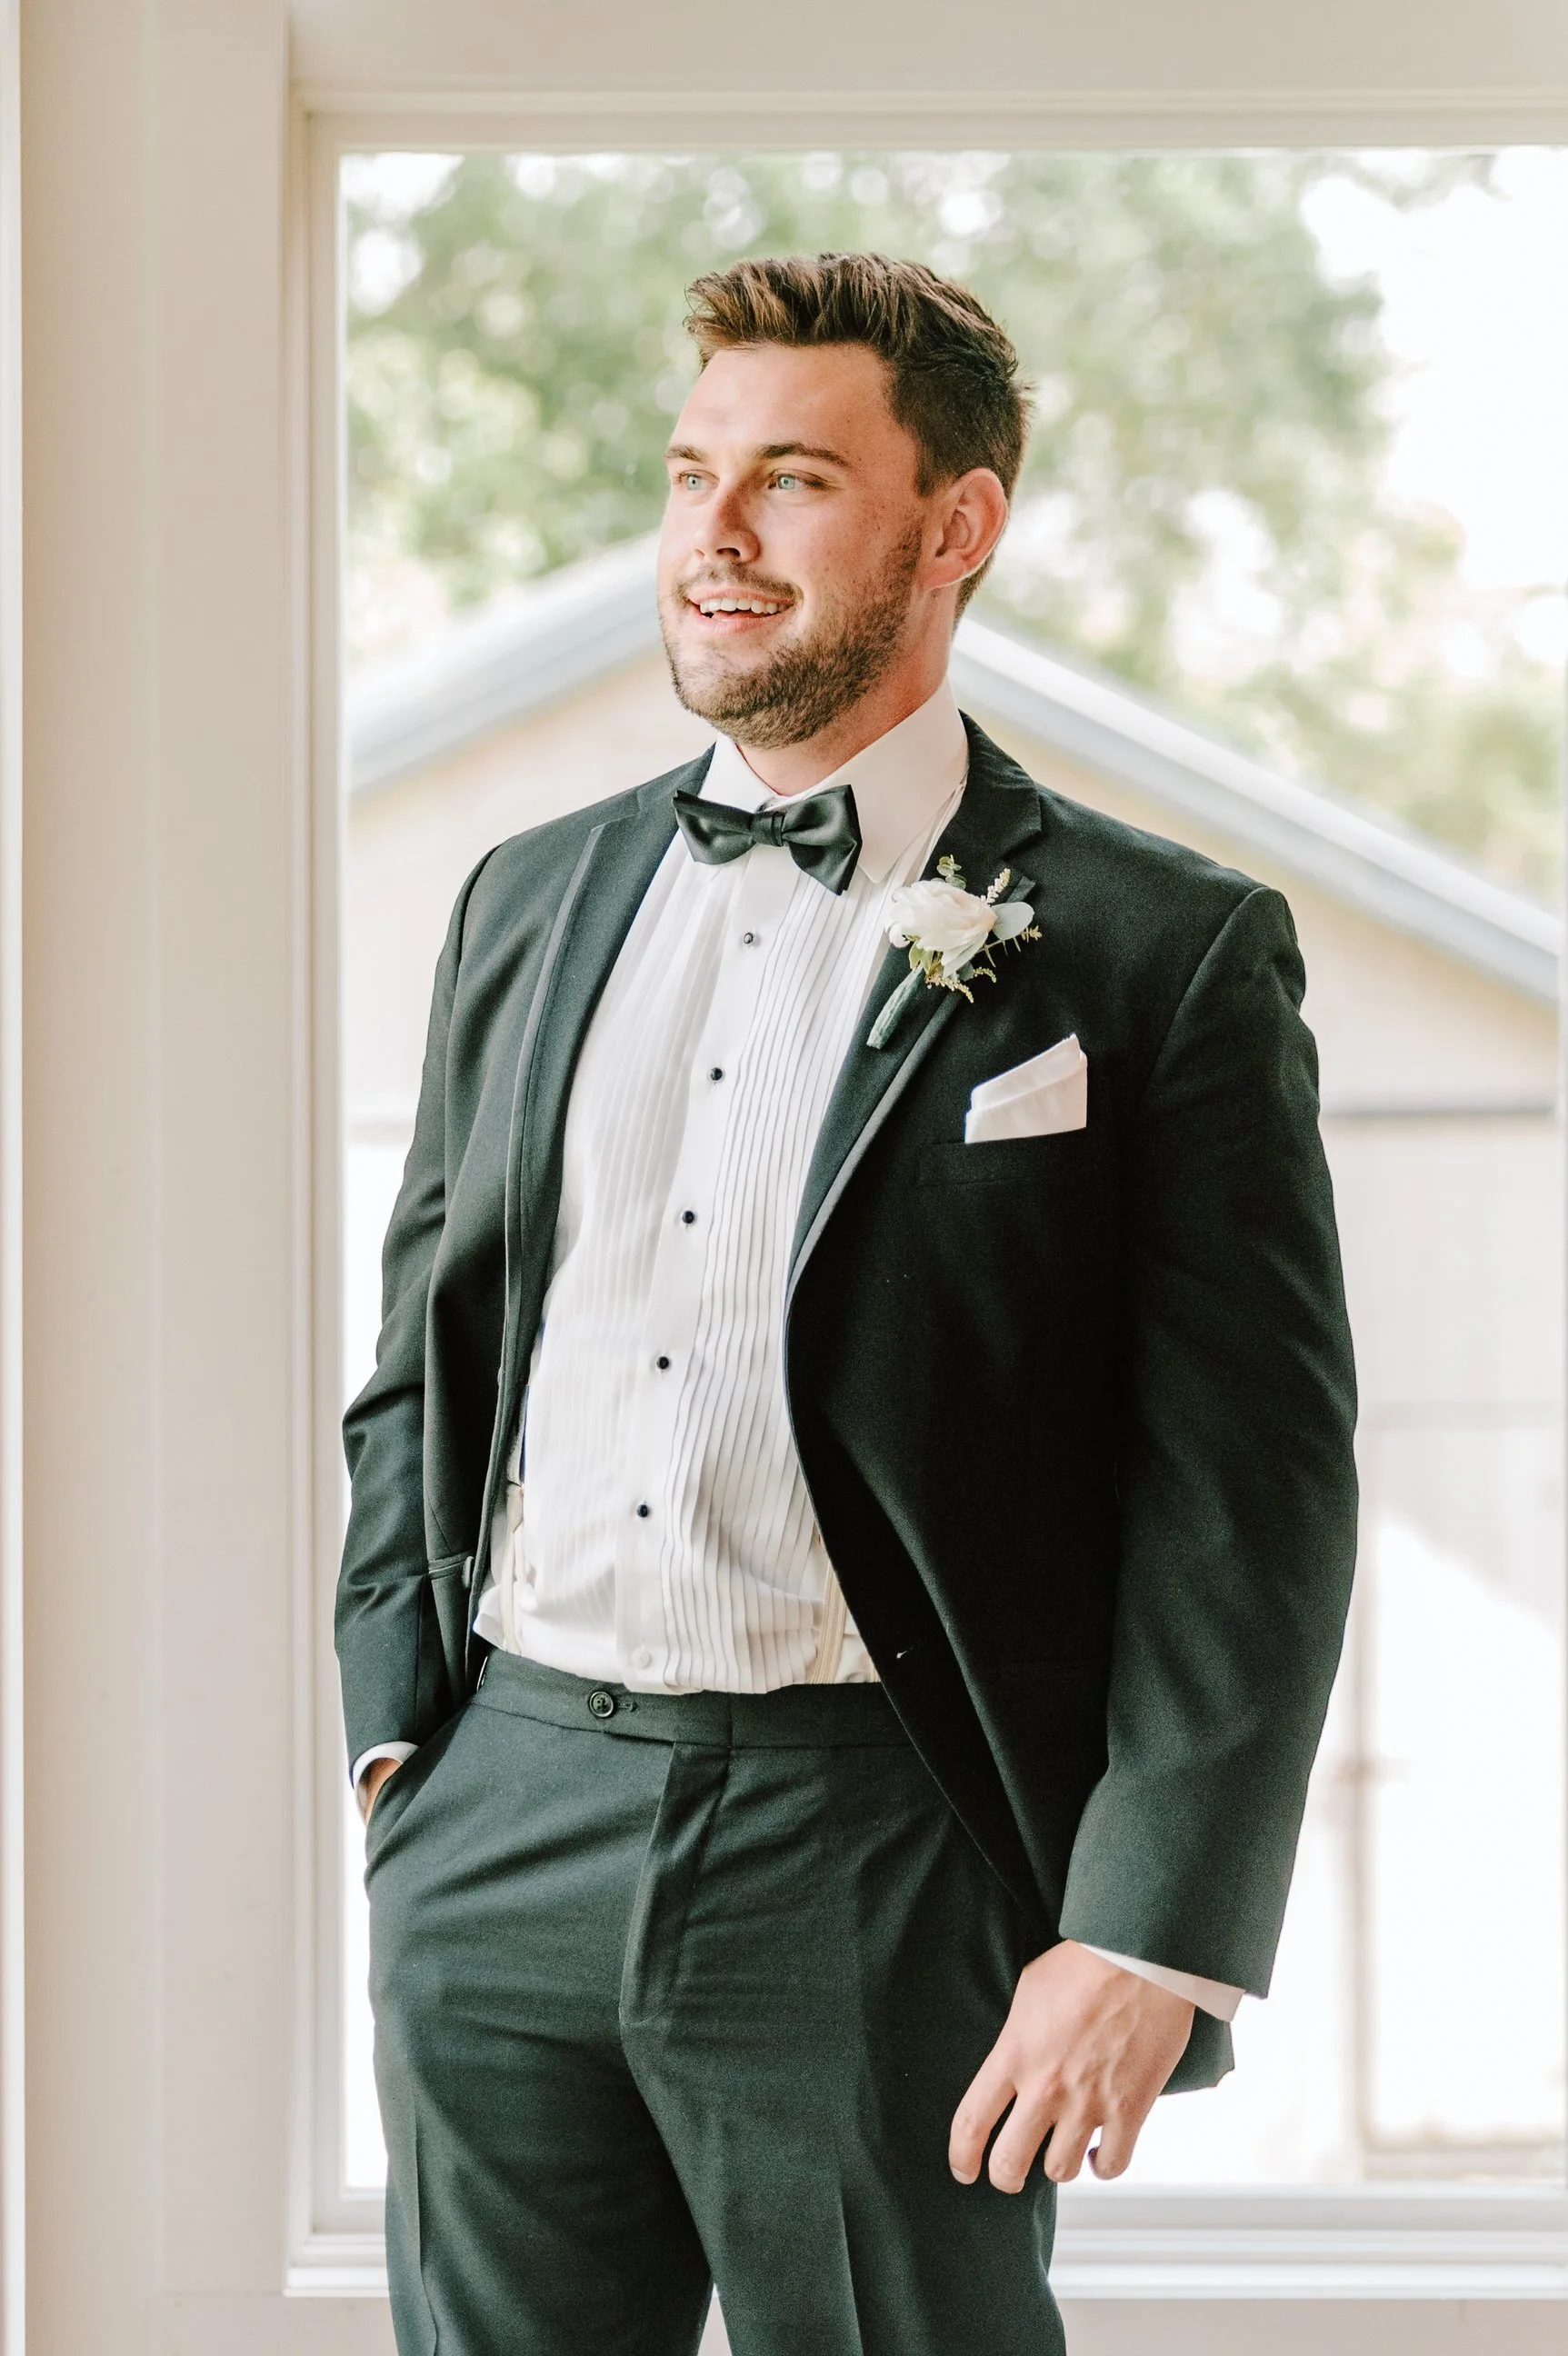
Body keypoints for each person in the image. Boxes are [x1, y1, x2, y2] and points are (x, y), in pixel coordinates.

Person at [337, 251, 1358, 2356]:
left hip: (874, 1851)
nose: (710, 539)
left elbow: (1245, 1496)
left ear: (953, 527)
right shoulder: (525, 899)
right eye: (691, 472)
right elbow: (423, 1347)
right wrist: (394, 1749)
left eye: (790, 480)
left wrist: (1148, 1934)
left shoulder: (1160, 954)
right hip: (498, 1823)